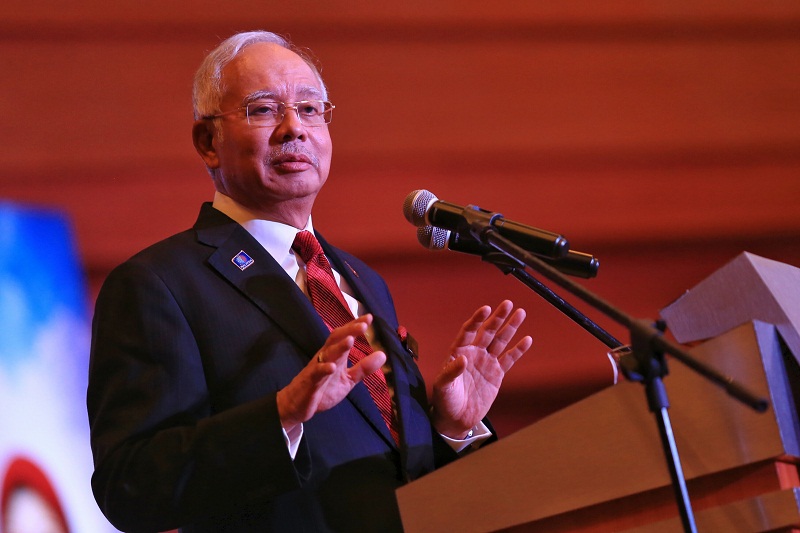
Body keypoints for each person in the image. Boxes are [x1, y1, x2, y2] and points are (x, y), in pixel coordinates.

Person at [87, 30, 533, 533]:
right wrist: (280, 416)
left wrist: (451, 428)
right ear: (209, 142)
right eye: (263, 110)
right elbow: (131, 486)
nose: (293, 129)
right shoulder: (158, 284)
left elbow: (394, 472)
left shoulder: (363, 280)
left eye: (310, 109)